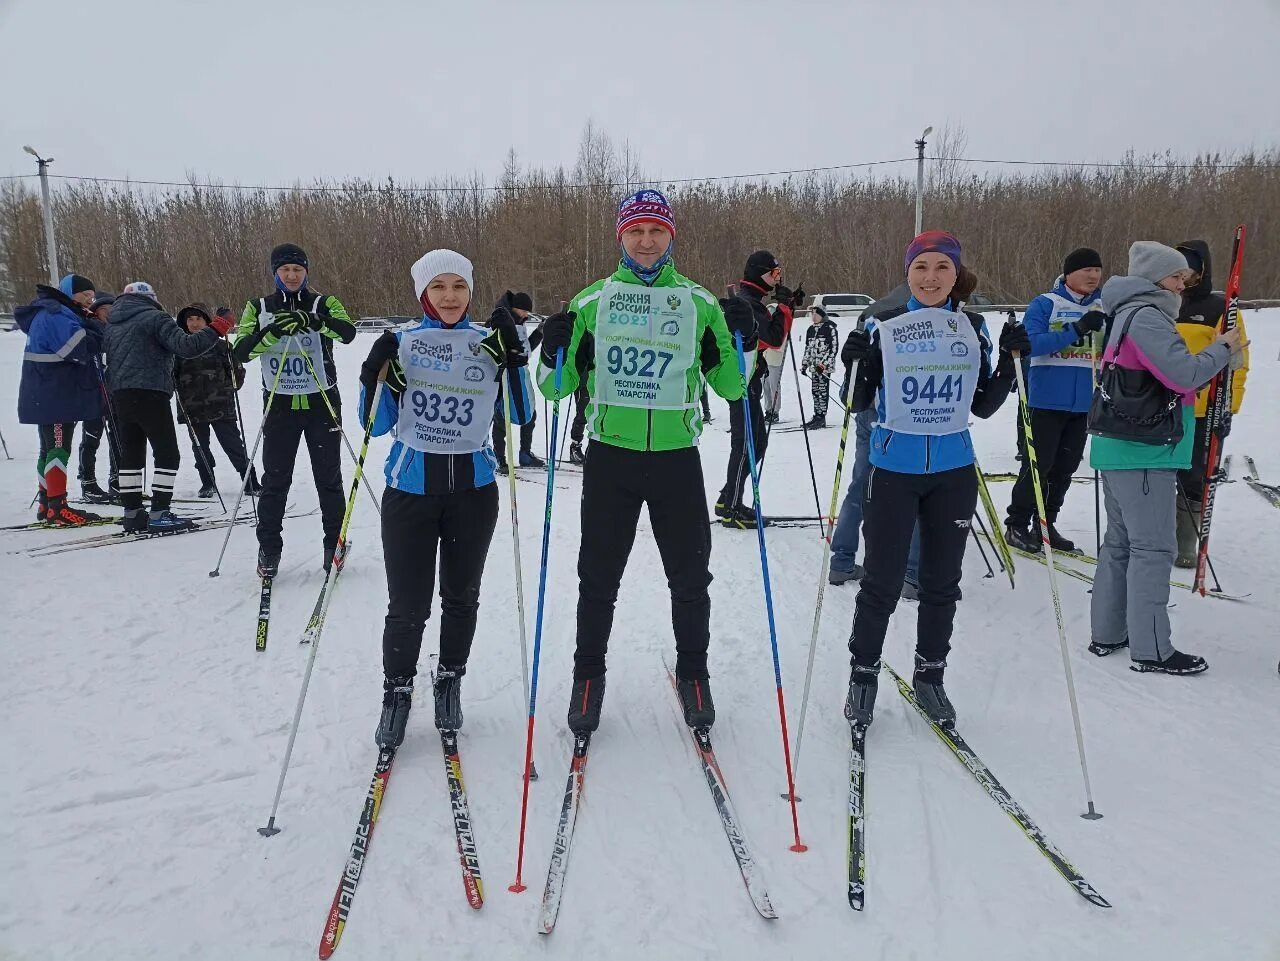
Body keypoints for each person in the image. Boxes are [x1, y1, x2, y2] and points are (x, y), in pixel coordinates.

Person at [536, 188, 755, 733]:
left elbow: (731, 386)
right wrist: (552, 350)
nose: (647, 240)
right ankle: (588, 675)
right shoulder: (593, 301)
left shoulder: (698, 302)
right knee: (598, 575)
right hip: (613, 458)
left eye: (656, 230)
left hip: (678, 460)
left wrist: (733, 339)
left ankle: (694, 673)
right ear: (621, 237)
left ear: (671, 236)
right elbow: (555, 389)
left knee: (689, 576)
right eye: (636, 230)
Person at [839, 232, 1025, 728]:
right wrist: (854, 360)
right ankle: (863, 676)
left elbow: (983, 405)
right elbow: (856, 402)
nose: (931, 277)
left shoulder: (972, 327)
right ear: (908, 273)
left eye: (942, 267)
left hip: (952, 472)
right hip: (894, 471)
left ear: (955, 274)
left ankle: (930, 676)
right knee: (880, 581)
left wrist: (1009, 363)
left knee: (942, 583)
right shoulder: (885, 326)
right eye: (921, 267)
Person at [360, 250, 531, 746]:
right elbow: (374, 425)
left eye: (459, 286)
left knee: (461, 597)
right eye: (439, 287)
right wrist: (376, 376)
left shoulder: (486, 343)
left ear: (470, 291)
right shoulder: (404, 342)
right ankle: (397, 690)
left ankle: (450, 679)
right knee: (408, 603)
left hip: (473, 492)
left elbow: (520, 414)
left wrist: (514, 359)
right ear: (422, 293)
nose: (450, 296)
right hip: (411, 491)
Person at [1088, 242, 1246, 673]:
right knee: (1154, 548)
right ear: (1156, 279)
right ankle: (1153, 648)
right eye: (1176, 277)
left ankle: (1107, 632)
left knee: (1121, 544)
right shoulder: (1149, 317)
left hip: (1120, 445)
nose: (1183, 284)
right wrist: (1222, 349)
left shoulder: (1125, 312)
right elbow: (1183, 374)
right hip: (1144, 449)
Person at [231, 243, 357, 575]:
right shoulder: (257, 307)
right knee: (275, 480)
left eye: (297, 270)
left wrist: (315, 321)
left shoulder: (324, 302)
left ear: (306, 273)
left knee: (328, 478)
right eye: (285, 269)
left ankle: (335, 543)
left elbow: (348, 333)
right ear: (275, 272)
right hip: (280, 404)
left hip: (321, 401)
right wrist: (272, 332)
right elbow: (242, 351)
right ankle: (269, 549)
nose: (291, 275)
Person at [105, 282, 232, 532]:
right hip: (151, 391)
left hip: (120, 393)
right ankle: (160, 512)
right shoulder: (156, 317)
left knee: (131, 454)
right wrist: (217, 327)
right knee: (167, 453)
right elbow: (186, 346)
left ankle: (132, 512)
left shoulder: (113, 324)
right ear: (151, 299)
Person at [1004, 248, 1106, 553]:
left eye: (1098, 270)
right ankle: (1017, 524)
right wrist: (1076, 329)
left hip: (1083, 403)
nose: (1093, 275)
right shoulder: (1046, 303)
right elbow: (1031, 343)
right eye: (1086, 269)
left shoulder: (1103, 306)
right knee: (1038, 466)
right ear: (1069, 273)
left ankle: (1046, 524)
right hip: (1047, 400)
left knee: (1065, 469)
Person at [827, 284, 923, 594]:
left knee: (860, 488)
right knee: (915, 492)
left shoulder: (875, 311)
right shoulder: (917, 313)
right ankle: (910, 573)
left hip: (868, 412)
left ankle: (842, 560)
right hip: (897, 417)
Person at [1171, 239, 1250, 568]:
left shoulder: (1221, 307)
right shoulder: (1163, 303)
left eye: (1190, 266)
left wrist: (1229, 406)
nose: (1185, 274)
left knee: (1194, 476)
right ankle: (1155, 535)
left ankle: (1185, 541)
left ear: (1202, 269)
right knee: (1159, 473)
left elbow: (1238, 361)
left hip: (1203, 406)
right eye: (1179, 267)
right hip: (1163, 403)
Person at [15, 274, 106, 525]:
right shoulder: (57, 314)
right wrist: (95, 327)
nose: (90, 300)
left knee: (48, 448)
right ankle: (58, 506)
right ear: (69, 293)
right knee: (58, 448)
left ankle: (46, 503)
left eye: (91, 296)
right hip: (55, 394)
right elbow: (75, 349)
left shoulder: (52, 311)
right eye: (85, 295)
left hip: (45, 393)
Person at [715, 250, 793, 529]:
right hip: (741, 383)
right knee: (747, 445)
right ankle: (731, 507)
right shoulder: (748, 304)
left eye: (779, 273)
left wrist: (785, 306)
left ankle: (728, 497)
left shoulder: (754, 301)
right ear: (759, 274)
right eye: (773, 274)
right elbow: (772, 338)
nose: (777, 278)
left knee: (757, 443)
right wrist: (784, 308)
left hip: (749, 383)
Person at [174, 303, 260, 499]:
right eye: (190, 319)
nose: (194, 323)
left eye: (199, 319)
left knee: (234, 446)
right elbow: (172, 377)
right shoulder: (179, 348)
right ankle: (207, 482)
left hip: (221, 405)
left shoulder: (221, 345)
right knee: (200, 448)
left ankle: (251, 481)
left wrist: (229, 388)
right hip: (192, 408)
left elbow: (237, 371)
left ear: (207, 322)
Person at [490, 291, 544, 472]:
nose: (527, 315)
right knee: (501, 417)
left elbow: (524, 351)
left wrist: (539, 333)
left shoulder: (519, 323)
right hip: (503, 375)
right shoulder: (500, 320)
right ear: (514, 308)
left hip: (520, 374)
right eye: (524, 311)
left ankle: (525, 454)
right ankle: (499, 457)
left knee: (530, 412)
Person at [77, 292, 118, 503]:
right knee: (92, 438)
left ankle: (117, 480)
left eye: (113, 310)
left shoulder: (119, 330)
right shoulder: (88, 328)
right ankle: (88, 481)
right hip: (93, 392)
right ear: (96, 312)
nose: (109, 314)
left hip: (116, 392)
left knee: (118, 438)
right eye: (105, 310)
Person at [800, 305, 838, 428]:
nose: (814, 317)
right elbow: (808, 349)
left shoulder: (830, 328)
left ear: (822, 315)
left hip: (824, 368)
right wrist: (804, 364)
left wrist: (823, 364)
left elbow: (833, 349)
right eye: (812, 314)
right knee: (815, 391)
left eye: (816, 314)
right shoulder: (810, 329)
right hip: (813, 367)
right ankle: (817, 415)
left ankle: (822, 416)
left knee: (822, 390)